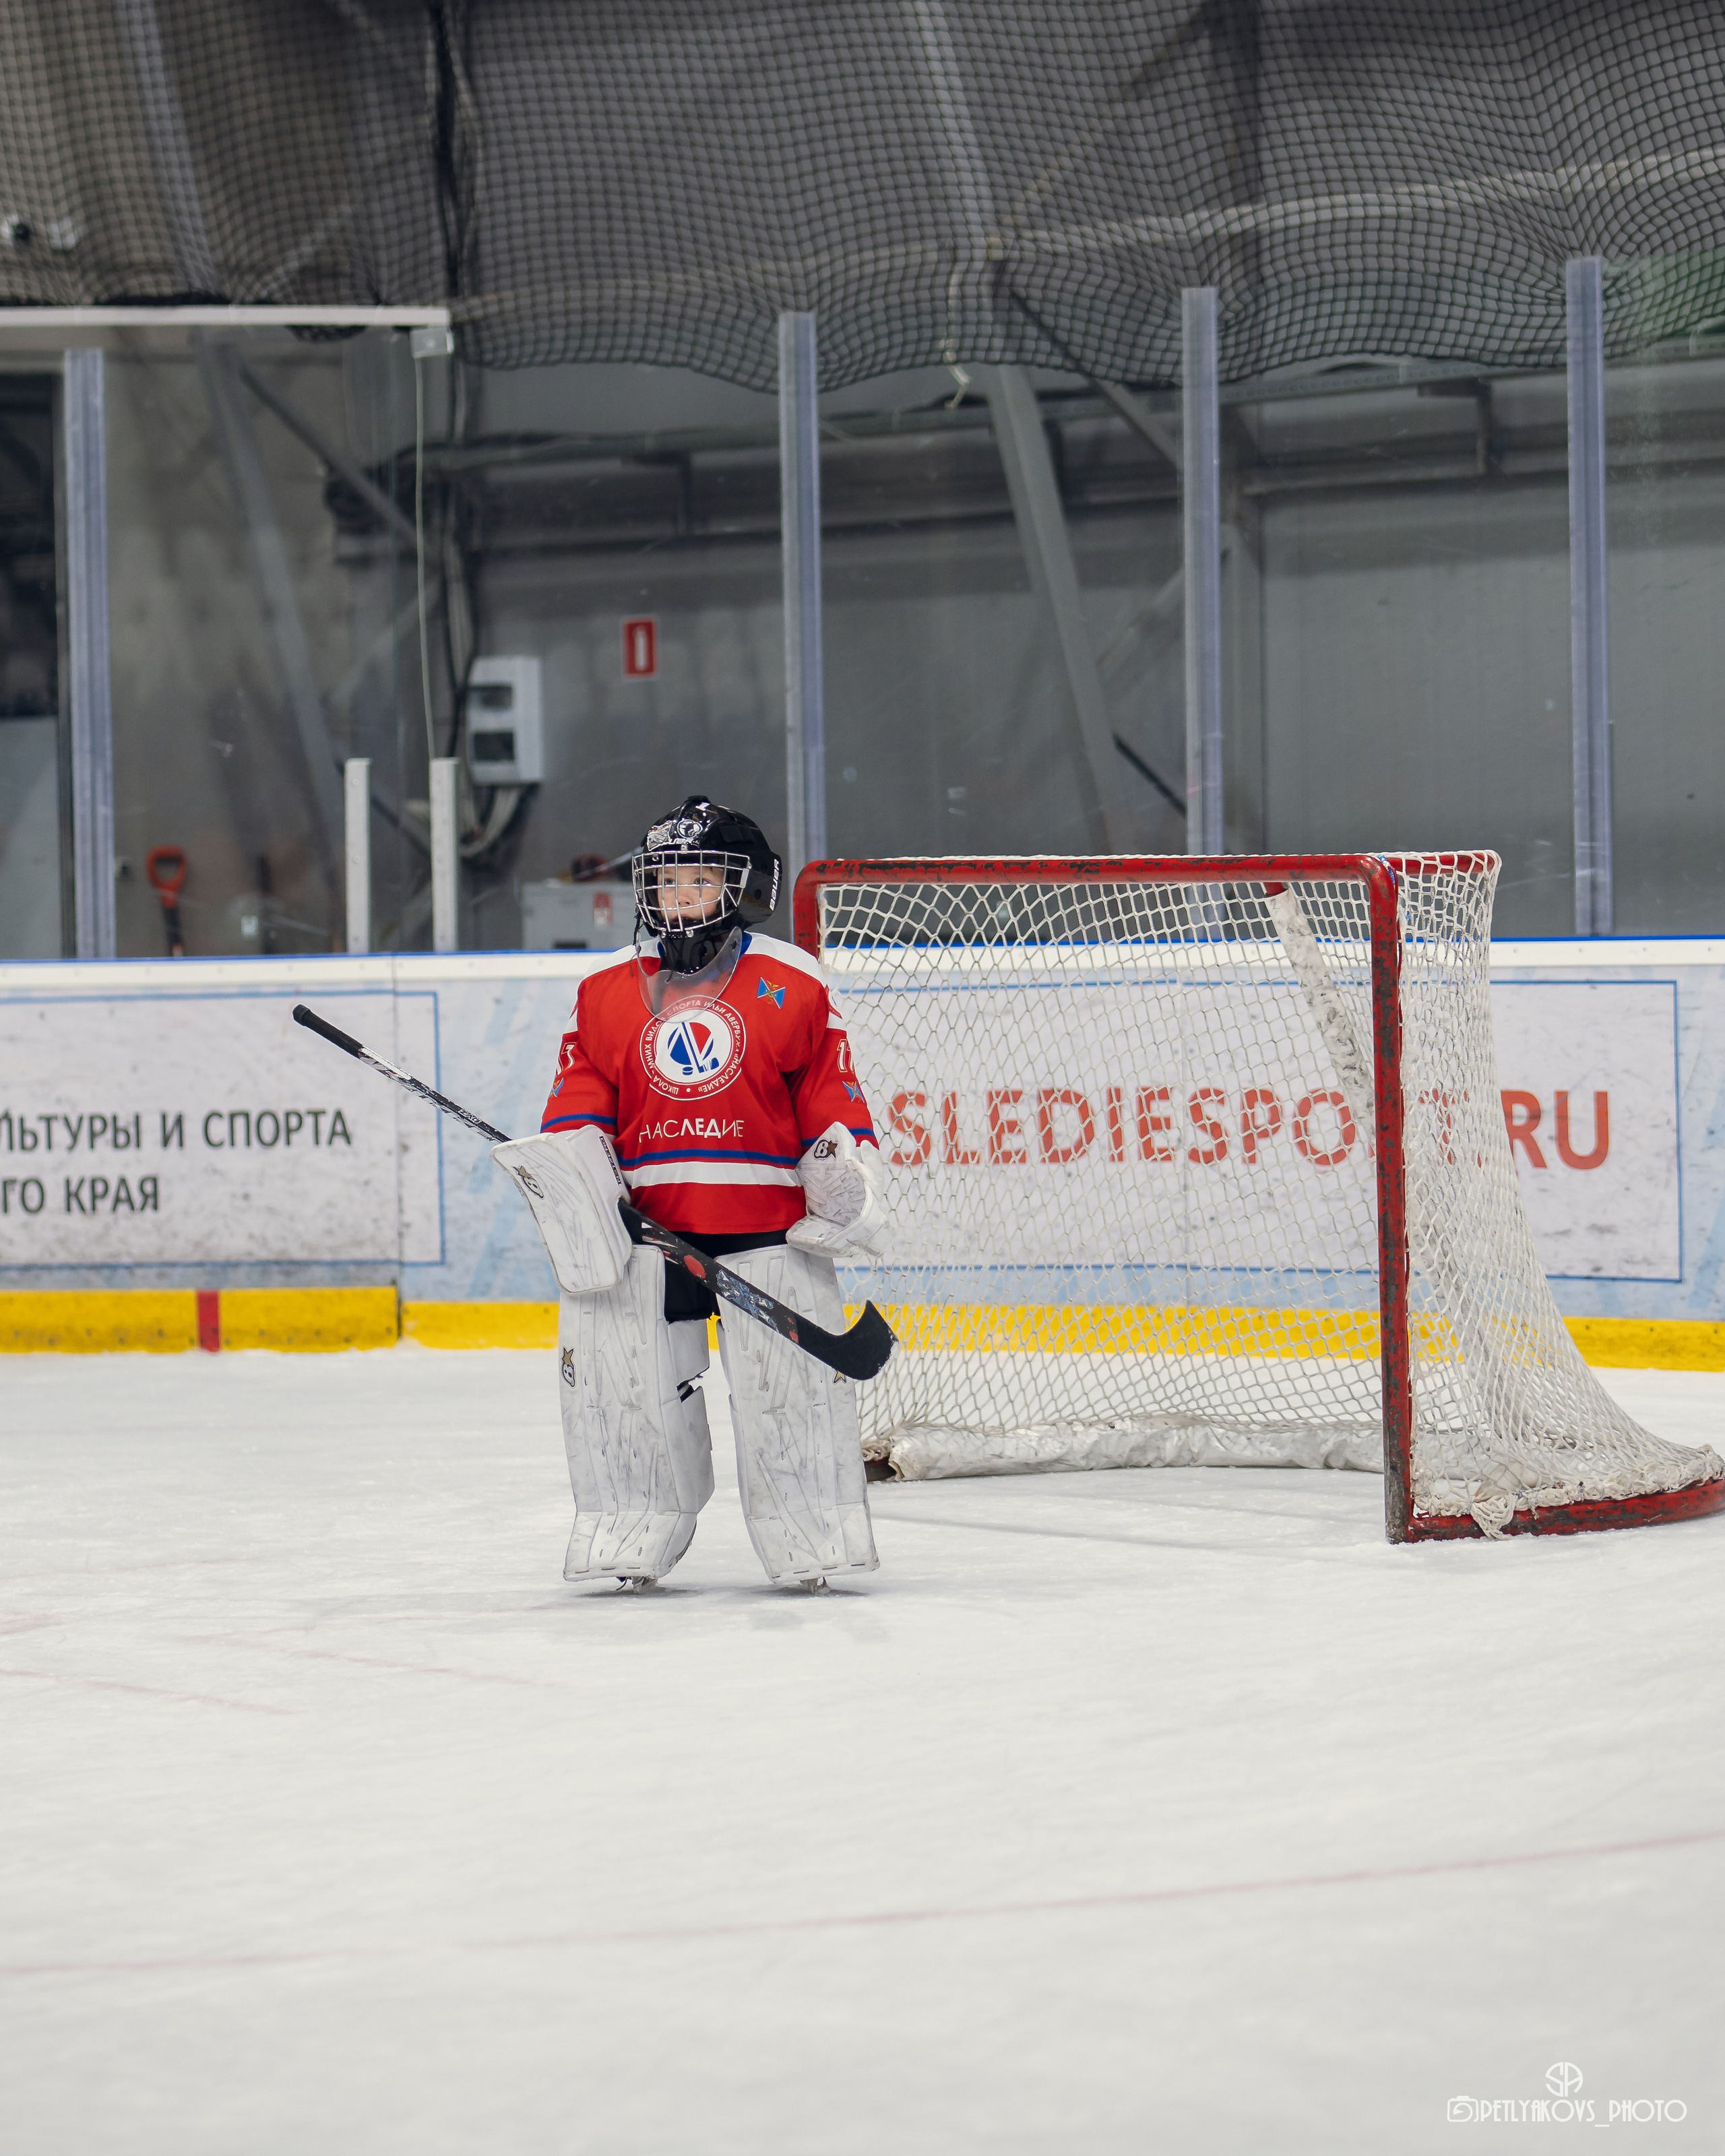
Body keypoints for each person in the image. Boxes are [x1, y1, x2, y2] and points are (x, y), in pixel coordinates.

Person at [495, 795, 890, 1591]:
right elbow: (579, 1101)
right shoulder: (606, 988)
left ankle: (808, 1535)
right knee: (626, 1390)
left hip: (767, 1233)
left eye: (696, 880)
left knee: (790, 1396)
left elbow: (833, 1100)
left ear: (742, 889)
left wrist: (843, 1173)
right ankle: (630, 1528)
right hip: (649, 1239)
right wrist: (573, 1170)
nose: (674, 899)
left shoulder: (792, 980)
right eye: (663, 881)